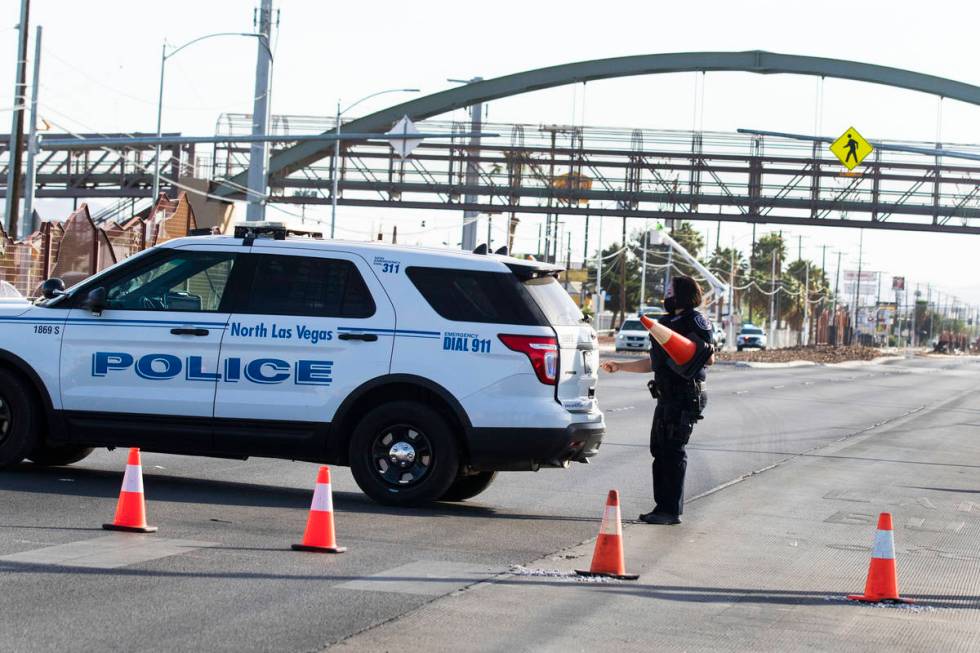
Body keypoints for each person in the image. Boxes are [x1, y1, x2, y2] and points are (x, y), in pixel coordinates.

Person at [600, 275, 714, 525]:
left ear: (683, 293)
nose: (667, 293)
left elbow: (707, 356)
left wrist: (696, 352)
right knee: (660, 450)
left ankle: (670, 511)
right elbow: (654, 363)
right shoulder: (664, 322)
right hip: (666, 396)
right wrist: (620, 366)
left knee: (673, 451)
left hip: (685, 395)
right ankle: (661, 507)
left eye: (672, 289)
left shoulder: (695, 320)